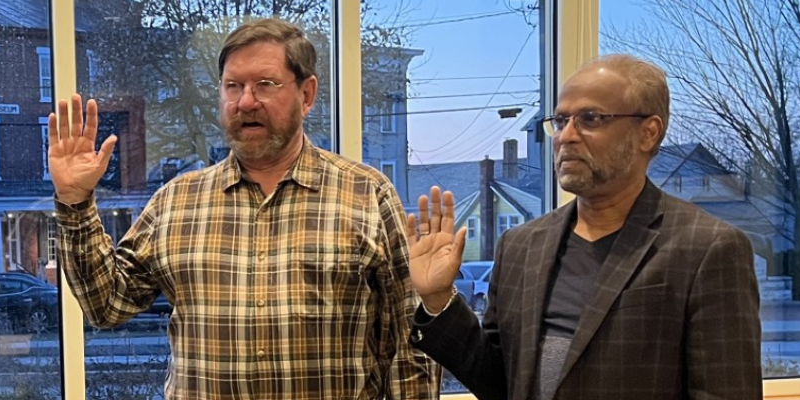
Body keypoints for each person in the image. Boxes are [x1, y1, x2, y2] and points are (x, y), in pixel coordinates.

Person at [49, 18, 438, 399]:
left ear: (306, 95)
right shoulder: (176, 203)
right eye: (233, 86)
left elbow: (408, 347)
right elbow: (107, 304)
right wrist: (75, 202)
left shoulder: (367, 195)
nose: (246, 101)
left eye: (265, 84)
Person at [404, 54, 762, 400]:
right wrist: (438, 299)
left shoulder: (708, 249)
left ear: (648, 133)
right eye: (561, 121)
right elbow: (499, 383)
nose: (566, 137)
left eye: (590, 119)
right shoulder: (520, 246)